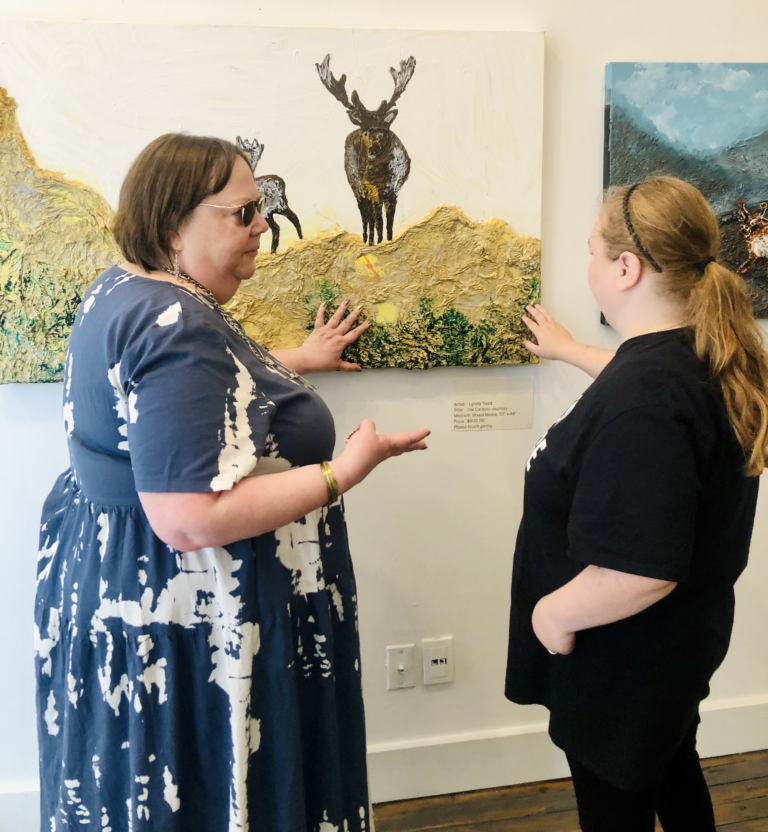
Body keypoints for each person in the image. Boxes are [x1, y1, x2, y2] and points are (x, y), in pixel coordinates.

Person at [34, 133, 430, 832]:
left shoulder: (127, 287)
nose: (262, 228)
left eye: (261, 211)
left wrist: (289, 361)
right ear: (171, 226)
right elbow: (188, 518)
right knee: (220, 790)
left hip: (123, 584)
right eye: (241, 214)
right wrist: (344, 473)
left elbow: (168, 402)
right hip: (194, 609)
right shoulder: (174, 324)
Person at [505, 176, 768, 832]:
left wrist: (553, 614)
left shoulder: (649, 400)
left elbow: (641, 570)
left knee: (618, 808)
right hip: (672, 652)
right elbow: (637, 375)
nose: (588, 264)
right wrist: (569, 350)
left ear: (625, 269)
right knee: (672, 771)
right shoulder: (691, 357)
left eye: (593, 252)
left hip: (621, 667)